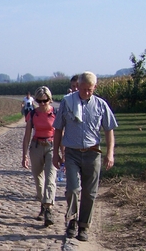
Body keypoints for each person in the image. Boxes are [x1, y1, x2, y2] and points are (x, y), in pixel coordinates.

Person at [53, 71, 117, 241]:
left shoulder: (101, 105)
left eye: (90, 89)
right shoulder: (67, 102)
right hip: (72, 153)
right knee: (73, 189)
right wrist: (56, 154)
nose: (86, 92)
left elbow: (109, 130)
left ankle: (84, 226)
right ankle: (72, 220)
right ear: (77, 87)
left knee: (90, 193)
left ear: (95, 87)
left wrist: (110, 153)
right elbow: (58, 128)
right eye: (83, 89)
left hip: (92, 153)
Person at [22, 86, 57, 226]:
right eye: (39, 101)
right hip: (36, 147)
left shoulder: (56, 113)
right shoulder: (32, 114)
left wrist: (63, 152)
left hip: (51, 146)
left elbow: (61, 132)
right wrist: (24, 155)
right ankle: (43, 203)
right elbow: (27, 135)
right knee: (38, 179)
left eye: (45, 101)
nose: (42, 104)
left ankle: (48, 208)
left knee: (50, 178)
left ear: (50, 99)